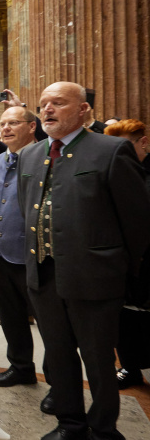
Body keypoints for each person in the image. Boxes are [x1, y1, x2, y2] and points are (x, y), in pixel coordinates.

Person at [17, 82, 150, 440]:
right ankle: (70, 424)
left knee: (98, 361)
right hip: (44, 276)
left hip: (94, 278)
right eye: (44, 104)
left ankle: (103, 429)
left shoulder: (111, 150)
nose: (47, 109)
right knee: (59, 356)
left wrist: (121, 270)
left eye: (58, 103)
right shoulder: (30, 156)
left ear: (83, 111)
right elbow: (25, 208)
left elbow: (137, 220)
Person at [0, 107, 46, 389]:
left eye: (13, 123)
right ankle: (20, 367)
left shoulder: (44, 158)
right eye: (1, 124)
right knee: (10, 316)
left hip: (33, 255)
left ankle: (58, 381)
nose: (4, 129)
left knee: (47, 322)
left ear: (32, 127)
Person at [104, 119, 150, 390]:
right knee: (125, 317)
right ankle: (131, 368)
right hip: (124, 258)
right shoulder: (115, 169)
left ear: (142, 142)